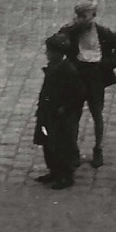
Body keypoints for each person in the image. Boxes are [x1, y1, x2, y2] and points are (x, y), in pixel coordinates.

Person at [53, 0, 116, 169]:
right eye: (79, 15)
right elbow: (59, 42)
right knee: (73, 113)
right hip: (77, 75)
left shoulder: (102, 32)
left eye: (84, 16)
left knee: (96, 111)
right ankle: (74, 151)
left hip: (95, 75)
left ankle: (98, 148)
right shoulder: (70, 30)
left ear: (93, 15)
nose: (81, 19)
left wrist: (108, 64)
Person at [33, 34, 86, 188]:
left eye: (49, 51)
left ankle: (66, 175)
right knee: (48, 143)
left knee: (62, 145)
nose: (47, 54)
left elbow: (79, 94)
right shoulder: (53, 67)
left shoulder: (68, 70)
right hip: (48, 112)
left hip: (61, 116)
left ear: (58, 53)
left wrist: (65, 109)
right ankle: (54, 171)